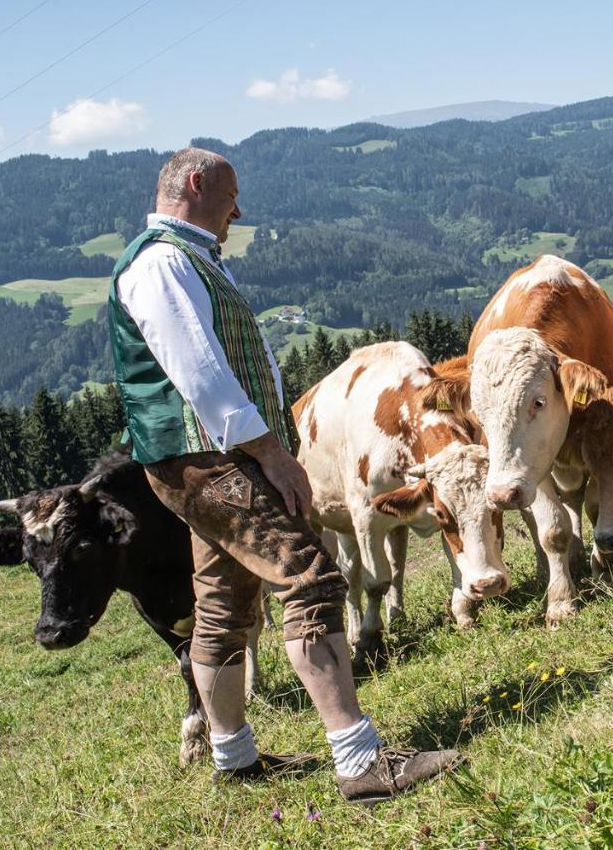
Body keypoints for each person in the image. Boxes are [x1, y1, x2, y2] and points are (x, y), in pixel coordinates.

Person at [107, 147, 461, 804]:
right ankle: (360, 760)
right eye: (230, 193)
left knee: (223, 606)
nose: (238, 209)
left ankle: (234, 758)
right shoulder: (160, 263)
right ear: (194, 183)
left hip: (203, 457)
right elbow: (203, 376)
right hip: (210, 457)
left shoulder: (183, 259)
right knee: (312, 575)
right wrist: (272, 453)